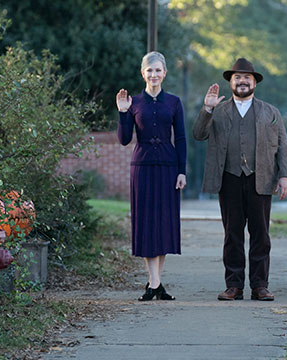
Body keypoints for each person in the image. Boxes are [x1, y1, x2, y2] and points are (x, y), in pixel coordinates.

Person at [192, 58, 287, 301]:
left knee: (261, 234)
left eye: (247, 77)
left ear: (254, 82)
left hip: (261, 178)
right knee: (232, 234)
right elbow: (198, 134)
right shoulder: (218, 110)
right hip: (229, 179)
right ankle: (234, 285)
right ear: (231, 82)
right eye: (237, 77)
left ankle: (260, 285)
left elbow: (283, 145)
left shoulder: (270, 112)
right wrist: (207, 109)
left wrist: (285, 176)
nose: (242, 81)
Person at [116, 51, 187, 301]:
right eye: (150, 70)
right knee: (147, 223)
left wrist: (182, 171)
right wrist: (123, 113)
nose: (154, 75)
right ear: (142, 73)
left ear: (164, 73)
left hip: (168, 167)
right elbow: (124, 140)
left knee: (164, 223)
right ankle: (155, 282)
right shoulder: (133, 102)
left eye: (158, 70)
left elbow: (180, 138)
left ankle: (154, 283)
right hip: (142, 167)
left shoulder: (174, 103)